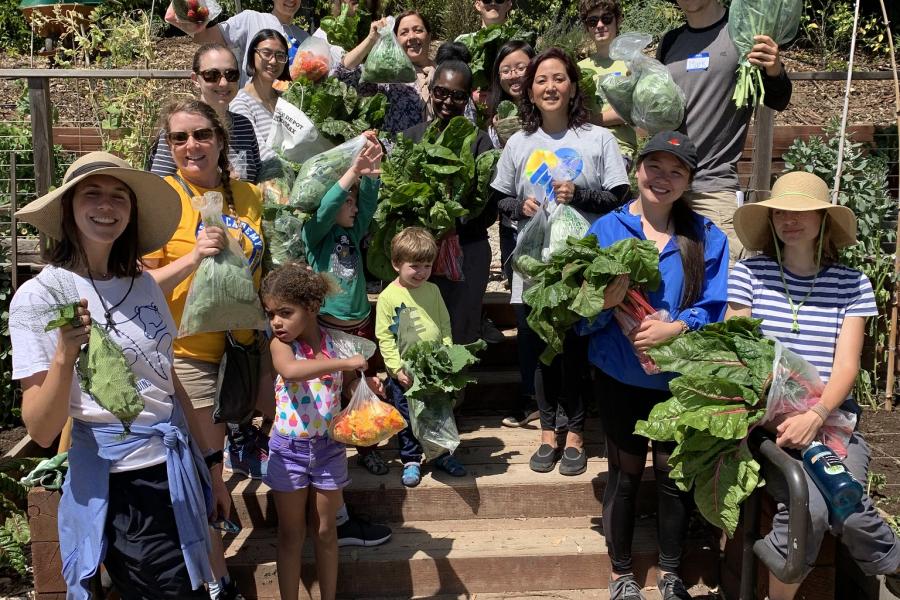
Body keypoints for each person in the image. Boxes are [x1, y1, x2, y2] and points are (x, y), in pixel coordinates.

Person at [9, 151, 230, 599]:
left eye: (119, 197)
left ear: (131, 213)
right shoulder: (40, 296)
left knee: (194, 586)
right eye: (92, 194)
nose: (106, 207)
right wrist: (65, 354)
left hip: (176, 465)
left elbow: (167, 380)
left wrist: (211, 467)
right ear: (68, 208)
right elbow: (41, 427)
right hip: (121, 482)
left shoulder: (141, 283)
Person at [726, 171, 900, 600]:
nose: (791, 219)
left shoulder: (852, 283)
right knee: (810, 508)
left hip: (832, 421)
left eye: (803, 212)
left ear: (823, 219)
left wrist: (816, 414)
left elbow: (847, 367)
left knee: (850, 506)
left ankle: (894, 565)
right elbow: (738, 351)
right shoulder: (749, 273)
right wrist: (788, 418)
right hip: (770, 427)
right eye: (782, 212)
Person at [581, 131, 728, 600]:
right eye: (654, 167)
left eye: (675, 171)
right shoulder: (605, 231)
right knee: (625, 474)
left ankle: (670, 573)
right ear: (636, 170)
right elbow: (579, 316)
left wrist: (677, 328)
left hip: (678, 379)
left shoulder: (706, 237)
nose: (662, 179)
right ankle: (621, 573)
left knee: (671, 475)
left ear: (688, 182)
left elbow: (714, 306)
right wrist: (603, 305)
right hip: (618, 373)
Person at [143, 98, 267, 598]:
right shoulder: (159, 199)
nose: (191, 145)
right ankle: (218, 581)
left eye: (201, 134)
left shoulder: (252, 196)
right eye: (179, 138)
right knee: (209, 471)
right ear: (168, 146)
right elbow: (141, 284)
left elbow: (266, 266)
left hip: (246, 350)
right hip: (187, 354)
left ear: (220, 140)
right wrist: (195, 256)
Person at [490, 47, 629, 444]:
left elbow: (619, 195)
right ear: (530, 92)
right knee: (538, 347)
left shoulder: (598, 138)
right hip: (536, 265)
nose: (550, 87)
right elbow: (499, 197)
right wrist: (521, 205)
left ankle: (577, 432)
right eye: (541, 80)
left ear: (572, 88)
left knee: (575, 347)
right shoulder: (519, 142)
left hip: (582, 266)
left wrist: (580, 195)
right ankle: (548, 431)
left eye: (558, 78)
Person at [259, 263, 380, 600]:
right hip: (289, 451)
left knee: (326, 532)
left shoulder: (336, 344)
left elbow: (350, 383)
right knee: (291, 534)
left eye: (285, 312)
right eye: (271, 314)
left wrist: (366, 383)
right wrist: (344, 363)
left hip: (329, 448)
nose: (276, 322)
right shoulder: (282, 346)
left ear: (311, 308)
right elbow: (292, 372)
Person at [658, 0, 792, 263]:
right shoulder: (670, 41)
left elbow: (779, 99)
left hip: (714, 189)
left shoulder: (742, 31)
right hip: (666, 190)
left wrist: (774, 69)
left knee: (726, 292)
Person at [302, 131, 389, 475]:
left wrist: (373, 166)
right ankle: (330, 447)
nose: (353, 207)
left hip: (361, 323)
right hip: (330, 328)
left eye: (353, 202)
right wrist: (352, 171)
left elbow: (368, 203)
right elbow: (325, 210)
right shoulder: (316, 235)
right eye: (347, 202)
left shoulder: (353, 233)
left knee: (363, 388)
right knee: (333, 390)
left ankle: (367, 445)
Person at [399, 42, 497, 346]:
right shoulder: (411, 137)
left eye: (457, 95)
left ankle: (455, 394)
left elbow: (488, 209)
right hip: (419, 257)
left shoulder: (480, 143)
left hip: (466, 254)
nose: (447, 101)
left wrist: (453, 221)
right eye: (440, 92)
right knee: (417, 339)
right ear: (430, 90)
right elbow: (397, 199)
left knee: (459, 340)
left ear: (467, 98)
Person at [375, 227, 464, 487]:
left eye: (427, 265)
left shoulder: (433, 291)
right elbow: (385, 337)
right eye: (414, 266)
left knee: (438, 412)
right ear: (396, 264)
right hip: (405, 372)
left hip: (434, 368)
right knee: (406, 416)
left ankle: (441, 454)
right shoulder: (388, 297)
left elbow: (444, 323)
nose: (421, 272)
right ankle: (411, 459)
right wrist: (395, 369)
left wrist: (448, 350)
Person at [148, 43, 262, 183]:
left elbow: (257, 179)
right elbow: (159, 185)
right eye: (212, 75)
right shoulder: (179, 127)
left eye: (231, 74)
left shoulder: (244, 126)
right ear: (195, 80)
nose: (223, 83)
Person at [191, 0, 345, 87]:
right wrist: (190, 10)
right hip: (253, 111)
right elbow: (202, 37)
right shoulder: (251, 19)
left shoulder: (304, 37)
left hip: (290, 118)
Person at [486, 40, 536, 292]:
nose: (513, 75)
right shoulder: (496, 116)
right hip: (511, 220)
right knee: (518, 291)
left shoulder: (550, 112)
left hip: (548, 220)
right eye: (505, 70)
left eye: (520, 67)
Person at [336, 10, 436, 133]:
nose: (412, 37)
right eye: (404, 33)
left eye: (418, 30)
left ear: (429, 36)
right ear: (396, 39)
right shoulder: (386, 74)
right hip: (397, 150)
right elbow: (342, 76)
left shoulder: (445, 73)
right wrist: (371, 39)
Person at [577, 0, 637, 167]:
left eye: (607, 18)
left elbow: (630, 111)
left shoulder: (632, 62)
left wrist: (590, 120)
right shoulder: (579, 68)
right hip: (583, 147)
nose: (600, 25)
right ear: (587, 27)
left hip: (619, 149)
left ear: (618, 21)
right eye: (593, 21)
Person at [229, 29, 292, 162]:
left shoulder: (286, 99)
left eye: (280, 55)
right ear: (253, 55)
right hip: (268, 178)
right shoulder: (240, 103)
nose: (273, 61)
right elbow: (259, 151)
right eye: (266, 53)